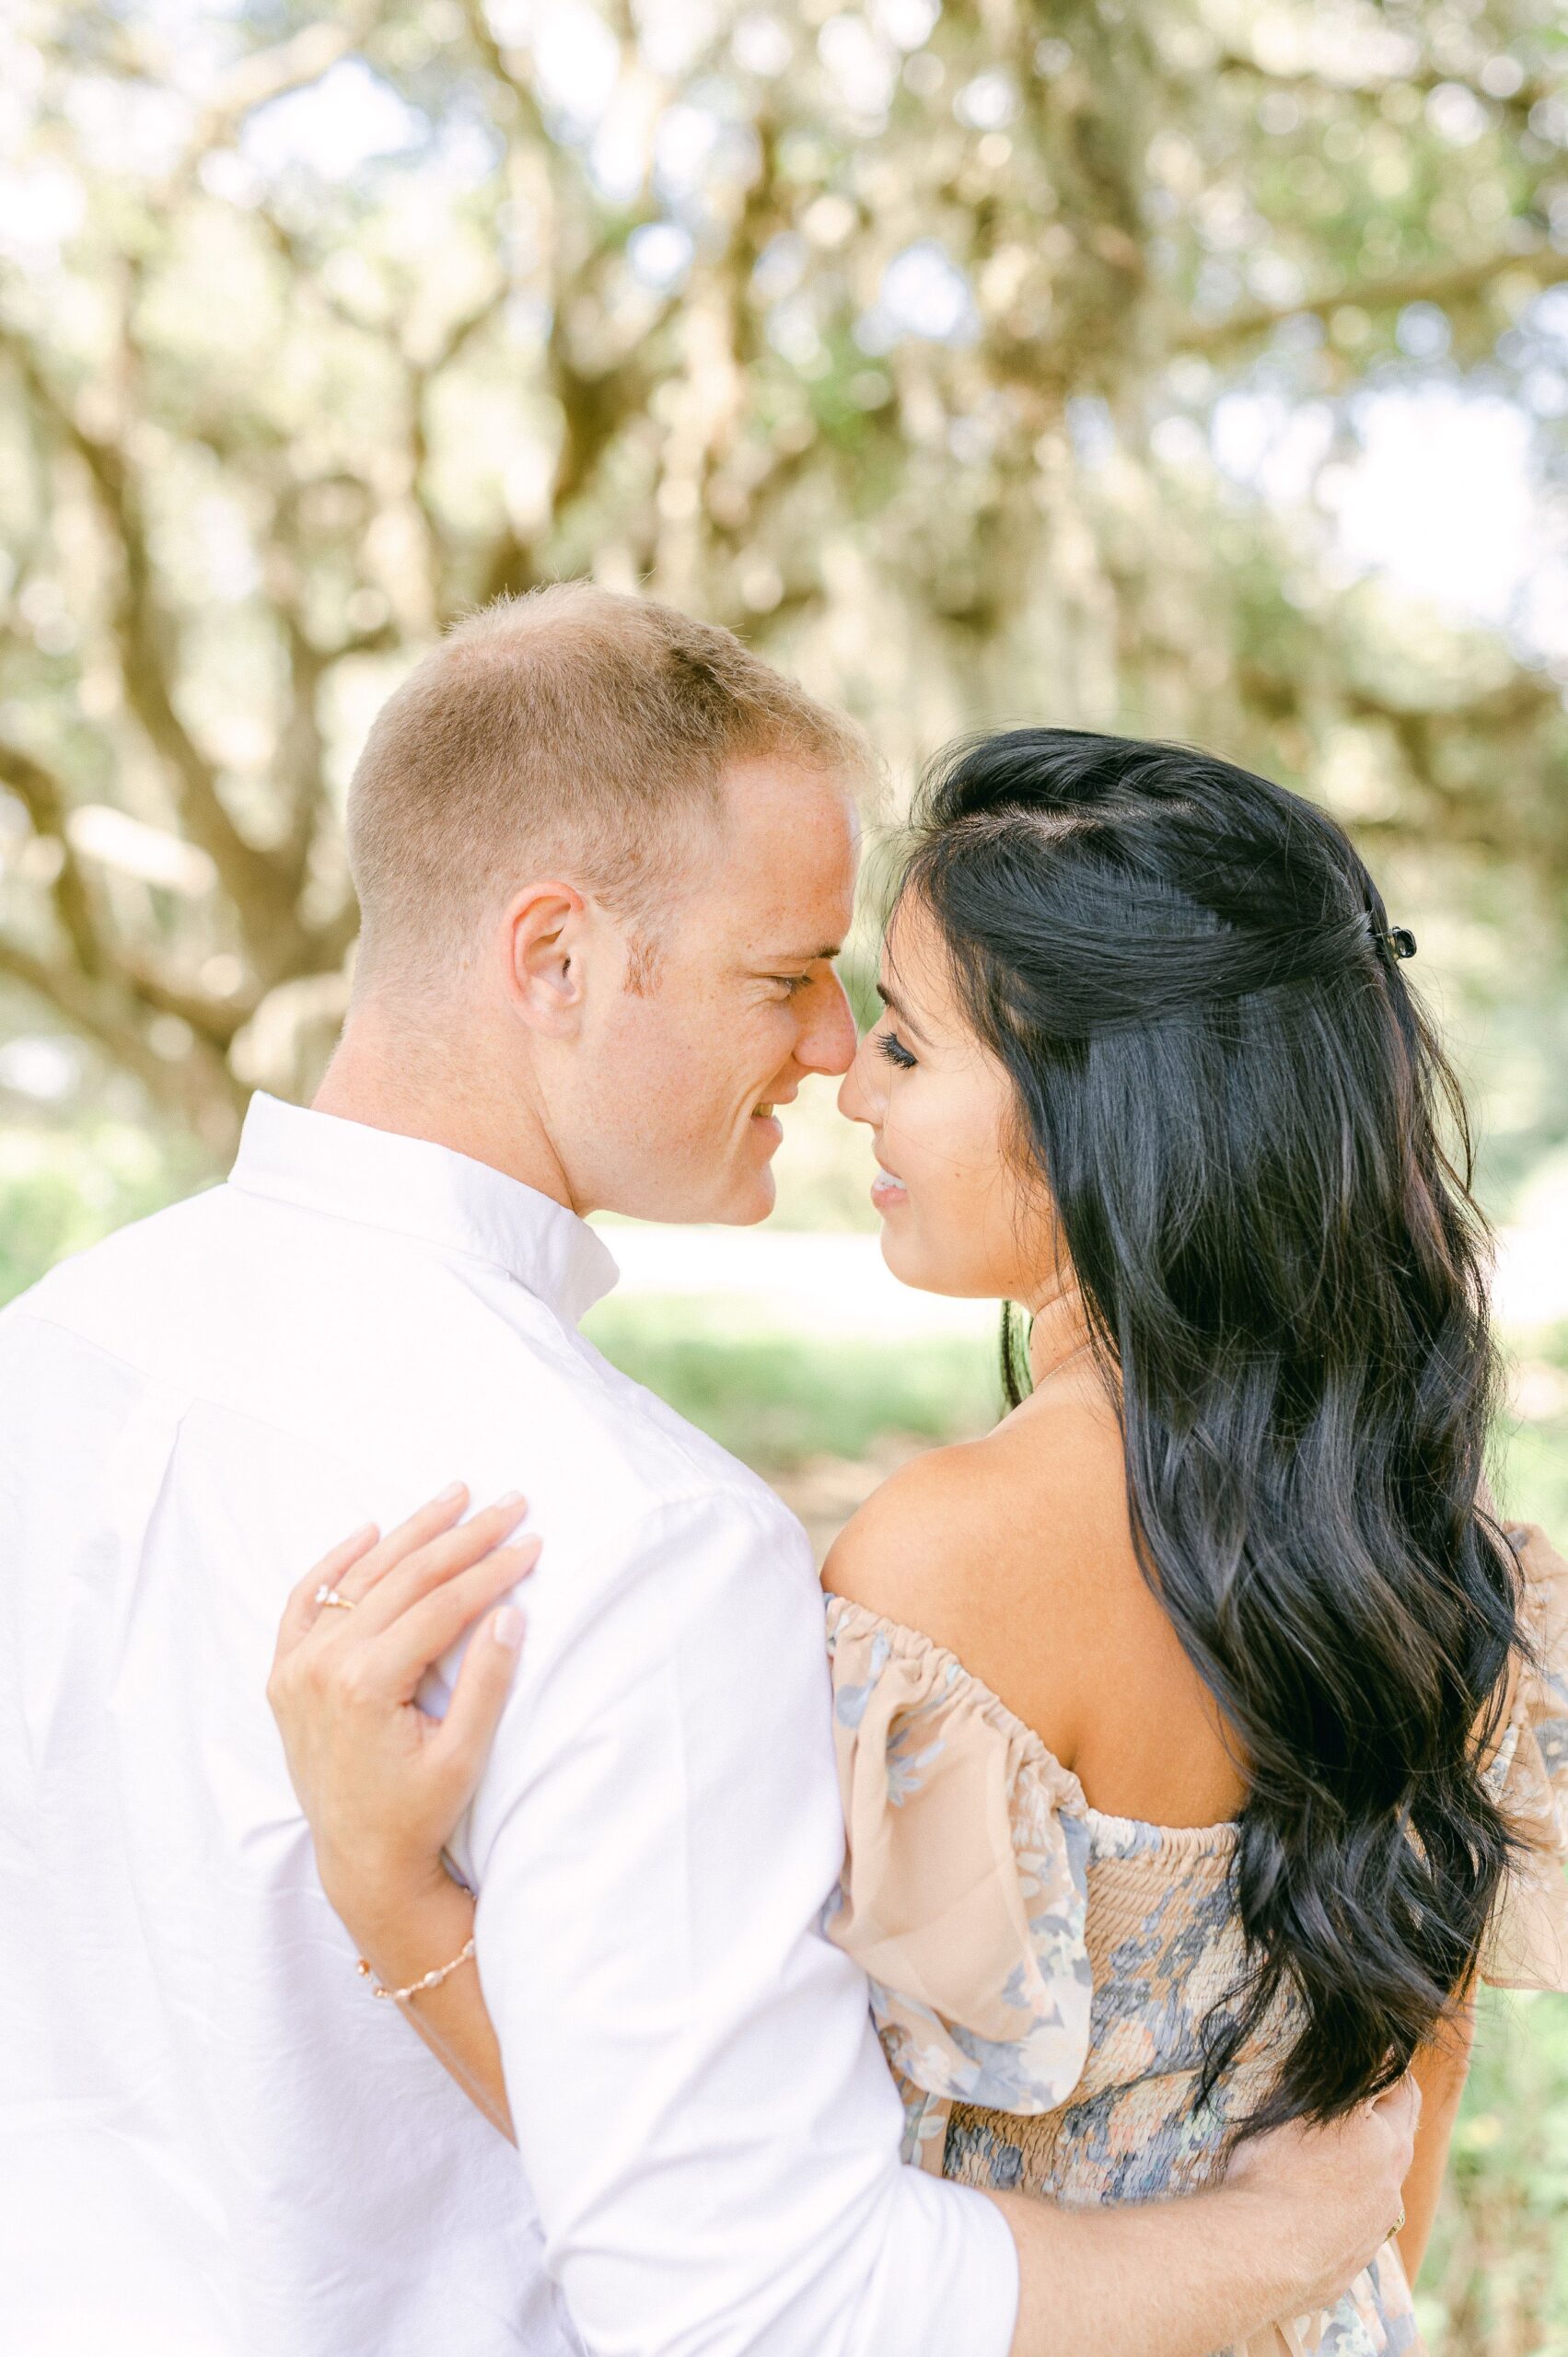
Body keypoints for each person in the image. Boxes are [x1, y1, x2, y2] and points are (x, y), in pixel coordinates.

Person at [0, 589, 1415, 2357]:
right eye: (787, 976)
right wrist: (1289, 2255)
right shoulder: (635, 1533)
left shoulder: (56, 1347)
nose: (830, 1053)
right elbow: (770, 2290)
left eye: (882, 1013)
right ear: (555, 961)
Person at [271, 721, 1568, 2353]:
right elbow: (1396, 2182)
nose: (843, 1083)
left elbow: (718, 2210)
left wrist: (388, 1888)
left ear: (1099, 1103)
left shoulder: (952, 1562)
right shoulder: (1458, 1572)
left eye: (905, 1040)